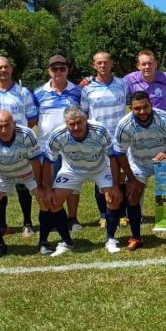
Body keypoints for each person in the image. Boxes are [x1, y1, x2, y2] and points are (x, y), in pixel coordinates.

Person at [42, 106, 123, 255]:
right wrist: (47, 189)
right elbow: (48, 161)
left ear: (86, 120)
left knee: (112, 198)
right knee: (54, 201)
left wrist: (116, 186)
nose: (76, 127)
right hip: (71, 170)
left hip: (99, 168)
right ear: (66, 123)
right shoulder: (58, 134)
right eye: (71, 124)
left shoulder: (99, 130)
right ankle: (66, 242)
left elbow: (113, 156)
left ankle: (111, 239)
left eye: (79, 122)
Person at [0, 56, 39, 237]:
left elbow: (32, 118)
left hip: (20, 145)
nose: (3, 70)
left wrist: (17, 134)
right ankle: (2, 224)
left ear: (11, 69)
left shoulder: (22, 92)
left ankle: (27, 222)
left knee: (23, 185)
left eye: (6, 67)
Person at [114, 91, 166, 250]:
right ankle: (136, 237)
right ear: (130, 108)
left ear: (151, 104)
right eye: (137, 108)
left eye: (145, 107)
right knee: (133, 196)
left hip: (164, 163)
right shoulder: (125, 124)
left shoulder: (163, 118)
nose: (142, 111)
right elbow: (120, 153)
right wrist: (131, 179)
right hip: (139, 164)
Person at [0, 110, 46, 257]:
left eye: (7, 125)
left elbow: (35, 161)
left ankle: (43, 243)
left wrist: (40, 187)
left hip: (27, 173)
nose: (3, 130)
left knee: (44, 199)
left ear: (14, 123)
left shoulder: (26, 134)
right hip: (2, 174)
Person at [34, 55, 85, 233]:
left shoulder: (77, 91)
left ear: (67, 70)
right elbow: (33, 118)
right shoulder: (38, 93)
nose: (58, 72)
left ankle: (72, 218)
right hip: (47, 146)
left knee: (73, 184)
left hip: (71, 145)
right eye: (54, 69)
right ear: (49, 71)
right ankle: (54, 218)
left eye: (62, 68)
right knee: (48, 183)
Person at [80, 51, 130, 229]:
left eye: (106, 62)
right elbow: (84, 113)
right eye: (99, 63)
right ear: (94, 65)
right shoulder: (87, 88)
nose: (103, 65)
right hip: (97, 139)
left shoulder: (123, 84)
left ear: (111, 64)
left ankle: (122, 213)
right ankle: (103, 214)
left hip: (120, 138)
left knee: (121, 177)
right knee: (100, 177)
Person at [122, 50, 166, 114]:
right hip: (141, 119)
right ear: (138, 66)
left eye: (150, 63)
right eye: (143, 64)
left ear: (155, 64)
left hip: (164, 120)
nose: (147, 67)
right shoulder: (130, 80)